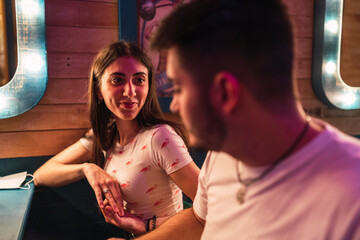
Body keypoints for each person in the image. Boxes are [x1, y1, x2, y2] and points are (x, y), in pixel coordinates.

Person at [107, 0, 360, 239]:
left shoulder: (351, 191)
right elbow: (200, 220)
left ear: (225, 91)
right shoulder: (226, 147)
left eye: (180, 88)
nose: (174, 103)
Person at [33, 40, 200, 236]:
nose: (130, 92)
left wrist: (146, 226)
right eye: (117, 80)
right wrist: (89, 169)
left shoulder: (160, 137)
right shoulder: (105, 134)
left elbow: (212, 206)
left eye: (139, 80)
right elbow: (41, 175)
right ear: (98, 90)